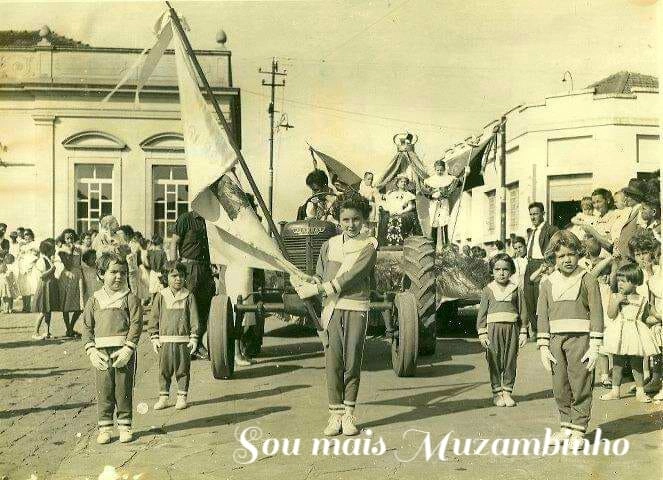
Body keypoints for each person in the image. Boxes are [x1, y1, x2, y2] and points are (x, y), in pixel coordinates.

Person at [296, 194, 377, 436]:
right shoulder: (328, 244)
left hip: (356, 307)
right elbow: (320, 275)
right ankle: (335, 415)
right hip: (331, 309)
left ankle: (349, 414)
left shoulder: (369, 245)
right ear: (338, 220)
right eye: (345, 219)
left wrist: (319, 288)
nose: (350, 224)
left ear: (363, 220)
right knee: (333, 361)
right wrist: (310, 281)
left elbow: (352, 276)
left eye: (356, 219)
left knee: (352, 361)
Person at [536, 230, 603, 449]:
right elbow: (542, 314)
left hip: (581, 340)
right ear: (553, 258)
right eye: (561, 256)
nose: (567, 259)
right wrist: (544, 346)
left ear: (578, 254)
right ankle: (566, 425)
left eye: (571, 254)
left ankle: (579, 429)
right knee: (560, 384)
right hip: (556, 341)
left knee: (580, 383)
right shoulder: (547, 282)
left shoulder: (587, 278)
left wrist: (595, 345)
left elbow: (596, 312)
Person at [81, 252, 143, 444]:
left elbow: (136, 323)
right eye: (113, 272)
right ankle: (105, 428)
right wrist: (91, 350)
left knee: (123, 389)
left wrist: (128, 348)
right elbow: (86, 326)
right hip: (101, 353)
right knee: (104, 389)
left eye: (123, 272)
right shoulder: (94, 300)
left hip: (122, 352)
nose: (119, 276)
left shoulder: (129, 298)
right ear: (101, 274)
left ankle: (125, 426)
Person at [600, 264, 659, 403]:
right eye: (619, 280)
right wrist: (616, 302)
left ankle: (640, 391)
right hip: (619, 332)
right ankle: (615, 390)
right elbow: (610, 314)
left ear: (635, 282)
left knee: (637, 362)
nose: (620, 284)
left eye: (624, 281)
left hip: (636, 333)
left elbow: (645, 317)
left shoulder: (642, 299)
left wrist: (656, 319)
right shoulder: (616, 297)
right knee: (617, 363)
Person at [476, 253, 528, 407]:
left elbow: (522, 310)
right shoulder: (488, 290)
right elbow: (482, 313)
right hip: (493, 330)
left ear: (511, 271)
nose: (501, 272)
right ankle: (497, 393)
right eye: (497, 269)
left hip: (511, 329)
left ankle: (507, 392)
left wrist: (523, 330)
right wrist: (482, 332)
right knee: (494, 360)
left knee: (510, 360)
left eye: (505, 269)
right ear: (492, 271)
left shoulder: (515, 289)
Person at [149, 261, 199, 411]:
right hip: (165, 341)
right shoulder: (161, 296)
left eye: (181, 276)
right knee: (164, 370)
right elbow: (154, 318)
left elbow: (194, 318)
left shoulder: (188, 295)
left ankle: (182, 397)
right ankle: (163, 397)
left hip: (182, 341)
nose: (178, 279)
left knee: (182, 369)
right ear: (166, 277)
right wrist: (154, 337)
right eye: (174, 275)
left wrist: (194, 337)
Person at [170, 210, 216, 360]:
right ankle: (184, 347)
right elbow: (174, 243)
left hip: (205, 269)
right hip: (188, 269)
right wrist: (174, 268)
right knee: (187, 307)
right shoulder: (186, 219)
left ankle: (197, 344)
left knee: (204, 307)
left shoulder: (210, 221)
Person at [523, 202, 559, 337]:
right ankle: (536, 330)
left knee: (541, 299)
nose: (533, 217)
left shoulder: (551, 229)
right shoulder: (531, 231)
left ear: (543, 214)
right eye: (531, 214)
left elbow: (556, 249)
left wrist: (550, 266)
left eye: (536, 214)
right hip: (530, 265)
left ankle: (544, 331)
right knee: (529, 298)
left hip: (542, 265)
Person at [423, 160, 464, 248]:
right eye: (437, 170)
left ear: (444, 169)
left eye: (441, 170)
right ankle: (433, 246)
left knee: (444, 222)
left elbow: (459, 183)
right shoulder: (430, 180)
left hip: (444, 202)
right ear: (435, 170)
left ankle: (445, 246)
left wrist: (466, 174)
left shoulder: (449, 179)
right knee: (434, 222)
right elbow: (426, 192)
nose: (439, 172)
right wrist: (433, 196)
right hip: (434, 203)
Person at [58, 229, 84, 338]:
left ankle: (71, 327)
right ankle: (68, 328)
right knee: (66, 304)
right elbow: (67, 265)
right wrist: (70, 250)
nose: (70, 240)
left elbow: (81, 262)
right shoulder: (62, 250)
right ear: (64, 239)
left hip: (78, 276)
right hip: (67, 276)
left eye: (71, 237)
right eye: (67, 238)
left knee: (79, 305)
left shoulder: (79, 249)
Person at [32, 239, 59, 340]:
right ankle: (35, 332)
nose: (54, 251)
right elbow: (41, 275)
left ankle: (47, 332)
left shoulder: (47, 259)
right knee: (43, 311)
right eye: (52, 249)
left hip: (49, 286)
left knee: (48, 310)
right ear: (47, 250)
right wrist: (51, 270)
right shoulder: (41, 260)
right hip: (44, 286)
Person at [382, 175, 419, 246]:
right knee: (386, 218)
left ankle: (400, 241)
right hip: (393, 212)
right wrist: (391, 211)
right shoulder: (392, 193)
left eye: (405, 182)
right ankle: (389, 242)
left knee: (400, 219)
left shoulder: (408, 194)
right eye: (401, 182)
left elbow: (410, 206)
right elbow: (388, 204)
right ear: (397, 183)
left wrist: (401, 212)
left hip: (403, 212)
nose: (403, 183)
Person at [17, 229, 39, 313]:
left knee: (30, 287)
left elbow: (35, 255)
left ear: (31, 235)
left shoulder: (34, 244)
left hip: (31, 268)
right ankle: (25, 306)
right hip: (23, 267)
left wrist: (30, 264)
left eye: (28, 234)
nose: (26, 236)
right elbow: (20, 255)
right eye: (25, 235)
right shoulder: (23, 245)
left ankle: (30, 306)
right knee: (24, 287)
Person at [146, 235, 168, 301]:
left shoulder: (151, 252)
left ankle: (152, 301)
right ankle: (161, 301)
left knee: (153, 289)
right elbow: (165, 264)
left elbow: (147, 261)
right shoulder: (162, 253)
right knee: (161, 288)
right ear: (161, 243)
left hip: (152, 272)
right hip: (160, 272)